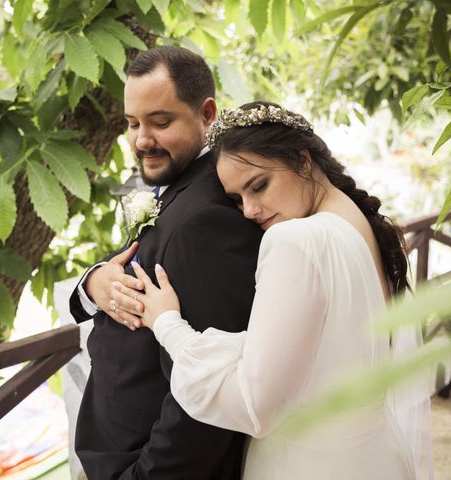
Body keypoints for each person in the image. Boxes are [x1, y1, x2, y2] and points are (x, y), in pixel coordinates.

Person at [128, 102, 433, 479]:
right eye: (237, 199)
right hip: (375, 456)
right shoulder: (360, 223)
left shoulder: (294, 240)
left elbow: (254, 406)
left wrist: (169, 327)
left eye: (259, 186)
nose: (250, 210)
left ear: (303, 161)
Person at [68, 47, 263, 479]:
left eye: (160, 122)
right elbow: (150, 254)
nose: (141, 140)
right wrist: (96, 279)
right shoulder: (181, 185)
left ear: (206, 113)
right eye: (133, 124)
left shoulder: (209, 218)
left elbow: (207, 389)